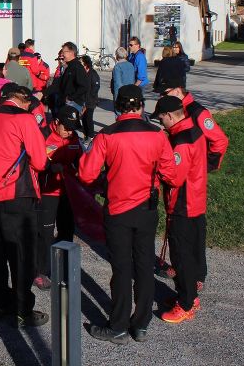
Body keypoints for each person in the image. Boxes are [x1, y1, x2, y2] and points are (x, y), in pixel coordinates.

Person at [78, 84, 182, 345]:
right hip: (146, 207)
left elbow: (87, 174)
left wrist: (104, 177)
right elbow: (172, 175)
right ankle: (141, 322)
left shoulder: (107, 136)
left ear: (117, 108)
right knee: (144, 264)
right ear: (141, 107)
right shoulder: (158, 135)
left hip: (117, 209)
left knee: (122, 267)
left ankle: (119, 325)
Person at [0, 83, 50, 328]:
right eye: (29, 102)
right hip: (15, 191)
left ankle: (0, 303)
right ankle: (23, 309)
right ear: (22, 100)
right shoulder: (24, 120)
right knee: (21, 252)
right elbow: (40, 160)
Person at [152, 95, 208, 324]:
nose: (161, 123)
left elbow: (174, 177)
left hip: (182, 204)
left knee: (181, 255)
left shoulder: (181, 141)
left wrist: (159, 167)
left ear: (170, 115)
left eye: (161, 118)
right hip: (196, 199)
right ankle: (190, 294)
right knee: (193, 251)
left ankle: (185, 303)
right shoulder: (194, 131)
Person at [34, 106, 83, 290]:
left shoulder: (74, 138)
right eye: (67, 127)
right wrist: (49, 167)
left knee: (66, 230)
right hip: (47, 192)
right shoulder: (43, 135)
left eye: (73, 127)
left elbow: (80, 159)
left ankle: (65, 268)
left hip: (67, 191)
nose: (70, 131)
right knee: (44, 234)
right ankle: (40, 271)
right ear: (56, 122)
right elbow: (33, 161)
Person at [160, 76, 230, 173]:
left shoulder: (198, 112)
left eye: (164, 93)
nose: (161, 97)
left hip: (193, 172)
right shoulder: (175, 109)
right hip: (180, 164)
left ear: (177, 91)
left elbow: (220, 140)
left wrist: (206, 166)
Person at [56, 42, 88, 113]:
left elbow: (84, 86)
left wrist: (70, 98)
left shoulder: (77, 67)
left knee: (68, 124)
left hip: (73, 103)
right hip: (68, 102)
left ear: (71, 52)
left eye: (64, 52)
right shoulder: (69, 67)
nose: (62, 54)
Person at [80, 55, 100, 138]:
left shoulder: (93, 73)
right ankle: (86, 135)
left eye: (81, 62)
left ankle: (91, 136)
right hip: (83, 100)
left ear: (85, 63)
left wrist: (88, 100)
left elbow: (96, 87)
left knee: (88, 118)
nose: (79, 63)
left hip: (90, 101)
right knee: (83, 119)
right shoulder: (82, 73)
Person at [110, 47, 134, 115]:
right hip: (130, 93)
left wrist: (116, 98)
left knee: (119, 114)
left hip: (121, 94)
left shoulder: (117, 67)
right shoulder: (131, 65)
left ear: (117, 55)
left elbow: (117, 83)